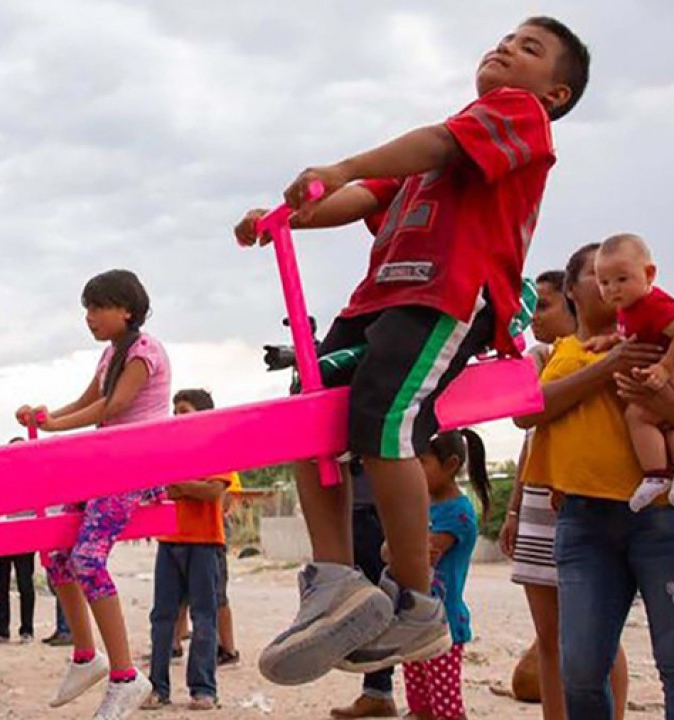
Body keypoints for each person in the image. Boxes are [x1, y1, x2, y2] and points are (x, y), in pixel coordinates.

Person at [232, 16, 591, 685]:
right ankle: (335, 580)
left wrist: (342, 163)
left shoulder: (516, 119)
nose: (507, 48)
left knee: (385, 422)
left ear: (556, 94)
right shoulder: (436, 155)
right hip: (377, 298)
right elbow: (366, 194)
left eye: (530, 49)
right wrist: (290, 214)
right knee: (307, 417)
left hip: (446, 295)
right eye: (507, 39)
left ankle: (417, 600)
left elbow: (411, 153)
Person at [514, 242, 670, 720]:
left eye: (621, 277)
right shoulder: (553, 351)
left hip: (657, 516)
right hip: (582, 520)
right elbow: (527, 414)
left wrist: (651, 383)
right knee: (579, 668)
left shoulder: (655, 339)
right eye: (601, 277)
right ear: (577, 288)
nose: (613, 285)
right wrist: (609, 365)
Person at [15, 269, 170, 719]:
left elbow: (115, 406)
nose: (90, 316)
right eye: (87, 308)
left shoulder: (144, 351)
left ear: (127, 309)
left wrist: (58, 427)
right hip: (105, 465)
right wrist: (45, 417)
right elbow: (89, 399)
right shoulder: (110, 354)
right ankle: (87, 657)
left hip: (136, 466)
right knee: (56, 553)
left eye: (98, 307)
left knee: (86, 558)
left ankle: (125, 676)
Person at [500, 262, 629, 720]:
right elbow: (529, 434)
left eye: (546, 304)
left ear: (572, 301)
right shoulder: (537, 359)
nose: (536, 315)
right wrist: (514, 508)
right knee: (550, 636)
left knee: (599, 635)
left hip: (583, 494)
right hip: (539, 498)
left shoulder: (604, 350)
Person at [142, 388, 232, 712]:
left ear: (204, 414)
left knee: (204, 616)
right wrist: (190, 487)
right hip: (169, 541)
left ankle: (203, 688)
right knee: (162, 617)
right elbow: (161, 487)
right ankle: (157, 688)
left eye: (185, 409)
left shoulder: (217, 447)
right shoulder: (169, 450)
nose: (178, 416)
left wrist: (182, 486)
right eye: (175, 410)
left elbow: (212, 493)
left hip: (206, 542)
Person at [399, 430, 490, 720]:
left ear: (450, 465)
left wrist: (398, 544)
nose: (413, 469)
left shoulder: (457, 513)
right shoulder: (421, 505)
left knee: (446, 710)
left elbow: (410, 552)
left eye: (421, 462)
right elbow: (399, 551)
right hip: (415, 618)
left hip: (442, 624)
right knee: (420, 706)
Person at [585, 234, 674, 511]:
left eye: (622, 279)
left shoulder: (655, 305)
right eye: (604, 283)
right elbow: (630, 336)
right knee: (664, 426)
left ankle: (657, 475)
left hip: (665, 377)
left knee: (638, 416)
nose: (612, 289)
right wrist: (608, 341)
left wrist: (664, 367)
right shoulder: (628, 308)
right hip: (656, 382)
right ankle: (662, 474)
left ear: (649, 274)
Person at [330, 462, 397, 719]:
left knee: (378, 604)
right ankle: (378, 691)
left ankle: (379, 691)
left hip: (371, 510)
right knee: (369, 603)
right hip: (360, 509)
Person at [0, 439, 39, 645]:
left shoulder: (33, 478)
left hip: (25, 537)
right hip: (3, 536)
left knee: (25, 584)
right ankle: (1, 629)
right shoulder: (2, 478)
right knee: (0, 584)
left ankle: (27, 629)